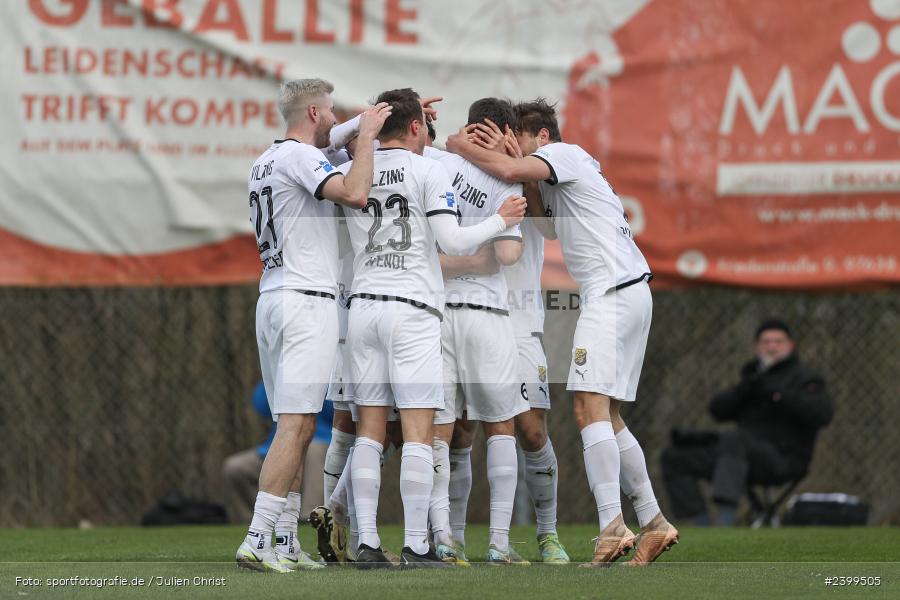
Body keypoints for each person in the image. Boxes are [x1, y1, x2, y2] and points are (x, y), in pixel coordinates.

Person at [446, 98, 677, 566]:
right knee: (609, 416)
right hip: (626, 290)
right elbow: (546, 227)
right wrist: (522, 168)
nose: (514, 149)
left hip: (612, 292)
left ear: (542, 138)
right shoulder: (555, 176)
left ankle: (612, 528)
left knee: (586, 407)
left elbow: (512, 173)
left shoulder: (565, 154)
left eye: (521, 142)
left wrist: (462, 146)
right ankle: (654, 522)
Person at [340, 87, 526, 568]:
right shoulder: (430, 169)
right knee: (421, 433)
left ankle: (365, 542)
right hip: (413, 309)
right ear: (419, 127)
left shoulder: (355, 168)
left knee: (369, 431)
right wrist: (499, 220)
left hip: (363, 307)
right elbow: (452, 238)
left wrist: (372, 128)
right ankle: (418, 544)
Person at [235, 77, 391, 573]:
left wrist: (365, 120)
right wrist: (366, 138)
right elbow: (356, 192)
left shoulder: (266, 159)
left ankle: (283, 540)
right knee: (299, 422)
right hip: (306, 301)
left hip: (275, 297)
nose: (334, 120)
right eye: (330, 112)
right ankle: (257, 537)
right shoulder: (303, 159)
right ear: (315, 114)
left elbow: (327, 140)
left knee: (294, 423)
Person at [424, 97, 537, 565]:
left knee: (439, 429)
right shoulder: (505, 178)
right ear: (506, 132)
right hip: (486, 313)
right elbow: (508, 257)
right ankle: (497, 543)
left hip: (437, 313)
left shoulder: (434, 164)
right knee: (500, 427)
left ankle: (443, 539)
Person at [661, 319, 834, 525]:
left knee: (735, 441)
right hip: (736, 456)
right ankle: (701, 524)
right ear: (756, 346)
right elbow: (717, 410)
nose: (771, 347)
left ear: (790, 345)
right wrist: (745, 389)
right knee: (675, 457)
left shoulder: (805, 379)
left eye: (778, 342)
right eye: (766, 342)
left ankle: (725, 522)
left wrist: (779, 396)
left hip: (783, 458)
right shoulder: (753, 378)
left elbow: (822, 415)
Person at [223, 382, 333, 524]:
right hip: (281, 444)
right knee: (235, 467)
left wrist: (314, 388)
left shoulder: (328, 371)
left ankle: (310, 519)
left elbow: (339, 411)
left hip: (322, 441)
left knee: (314, 449)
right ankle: (258, 522)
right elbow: (261, 405)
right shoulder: (285, 372)